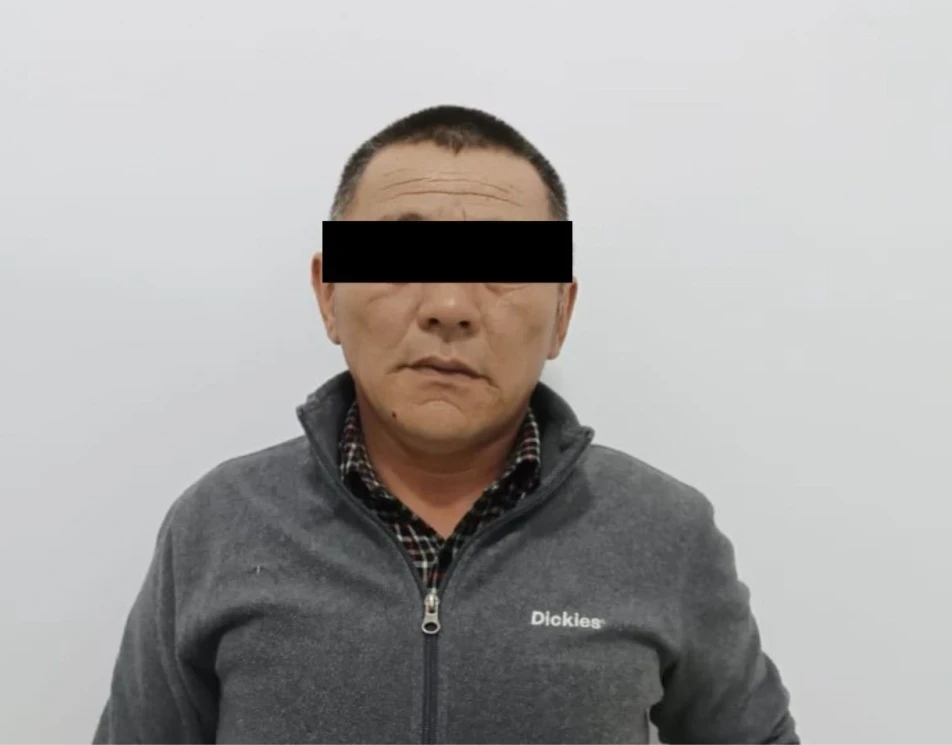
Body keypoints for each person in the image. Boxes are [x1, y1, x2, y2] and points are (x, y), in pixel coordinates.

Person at [93, 105, 799, 744]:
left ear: (562, 312)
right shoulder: (218, 523)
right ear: (329, 293)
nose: (450, 306)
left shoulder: (663, 530)